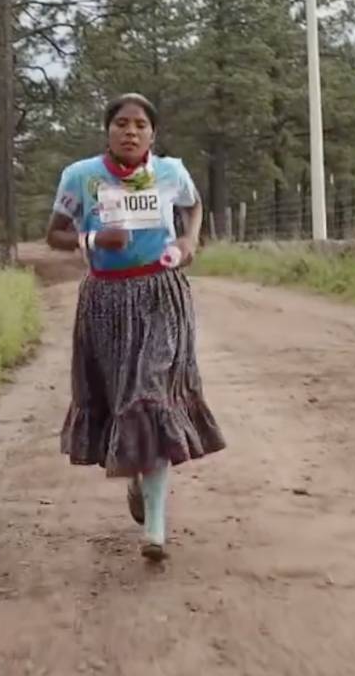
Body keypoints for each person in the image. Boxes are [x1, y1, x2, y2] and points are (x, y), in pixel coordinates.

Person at [45, 93, 226, 562]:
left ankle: (155, 529)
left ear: (153, 134)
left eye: (140, 125)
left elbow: (193, 206)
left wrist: (188, 241)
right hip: (106, 301)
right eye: (122, 123)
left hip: (161, 294)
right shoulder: (81, 176)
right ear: (108, 130)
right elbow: (54, 233)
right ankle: (140, 479)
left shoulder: (171, 173)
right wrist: (92, 238)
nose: (131, 132)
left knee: (152, 395)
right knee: (123, 400)